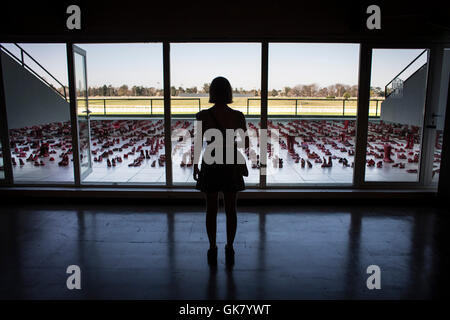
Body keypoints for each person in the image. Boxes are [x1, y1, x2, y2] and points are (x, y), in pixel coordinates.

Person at [193, 76, 249, 267]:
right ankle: (230, 246)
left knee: (211, 210)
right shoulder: (238, 116)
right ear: (229, 93)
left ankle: (212, 247)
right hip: (231, 163)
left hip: (210, 162)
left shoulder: (202, 115)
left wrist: (195, 165)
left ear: (211, 93)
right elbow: (245, 144)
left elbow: (198, 143)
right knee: (231, 209)